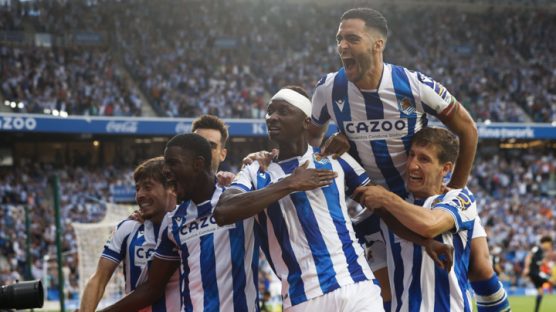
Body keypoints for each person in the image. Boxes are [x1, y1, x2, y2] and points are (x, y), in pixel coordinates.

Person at [308, 8, 509, 311]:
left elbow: (467, 128)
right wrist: (327, 145)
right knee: (388, 289)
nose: (342, 47)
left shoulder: (412, 84)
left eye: (352, 38)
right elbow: (308, 143)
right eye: (339, 40)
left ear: (378, 44)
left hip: (425, 196)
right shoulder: (328, 89)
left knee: (480, 266)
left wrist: (453, 191)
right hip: (376, 200)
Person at [216, 85, 392, 312]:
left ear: (306, 121)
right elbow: (223, 211)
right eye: (270, 111)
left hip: (357, 285)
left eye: (283, 111)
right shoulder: (255, 171)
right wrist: (288, 184)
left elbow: (380, 202)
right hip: (303, 298)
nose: (272, 118)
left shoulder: (334, 158)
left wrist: (425, 239)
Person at [100, 133, 259, 311]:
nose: (166, 170)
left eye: (173, 163)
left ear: (198, 164)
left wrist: (272, 168)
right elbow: (152, 288)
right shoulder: (173, 221)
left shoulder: (242, 203)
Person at [354, 127, 489, 311]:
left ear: (446, 169)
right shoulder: (384, 213)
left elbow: (430, 225)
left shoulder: (459, 198)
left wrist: (387, 198)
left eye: (424, 159)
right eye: (411, 155)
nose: (411, 165)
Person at [79, 157, 180, 312]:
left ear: (171, 188)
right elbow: (99, 279)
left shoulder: (188, 226)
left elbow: (153, 290)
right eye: (137, 189)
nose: (140, 195)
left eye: (148, 187)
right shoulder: (128, 228)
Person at [523, 235, 553, 312]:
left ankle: (536, 311)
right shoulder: (537, 248)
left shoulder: (542, 252)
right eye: (549, 244)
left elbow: (539, 262)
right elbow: (528, 257)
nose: (549, 246)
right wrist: (526, 268)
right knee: (552, 281)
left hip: (536, 272)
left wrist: (546, 266)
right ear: (545, 243)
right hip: (534, 272)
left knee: (541, 292)